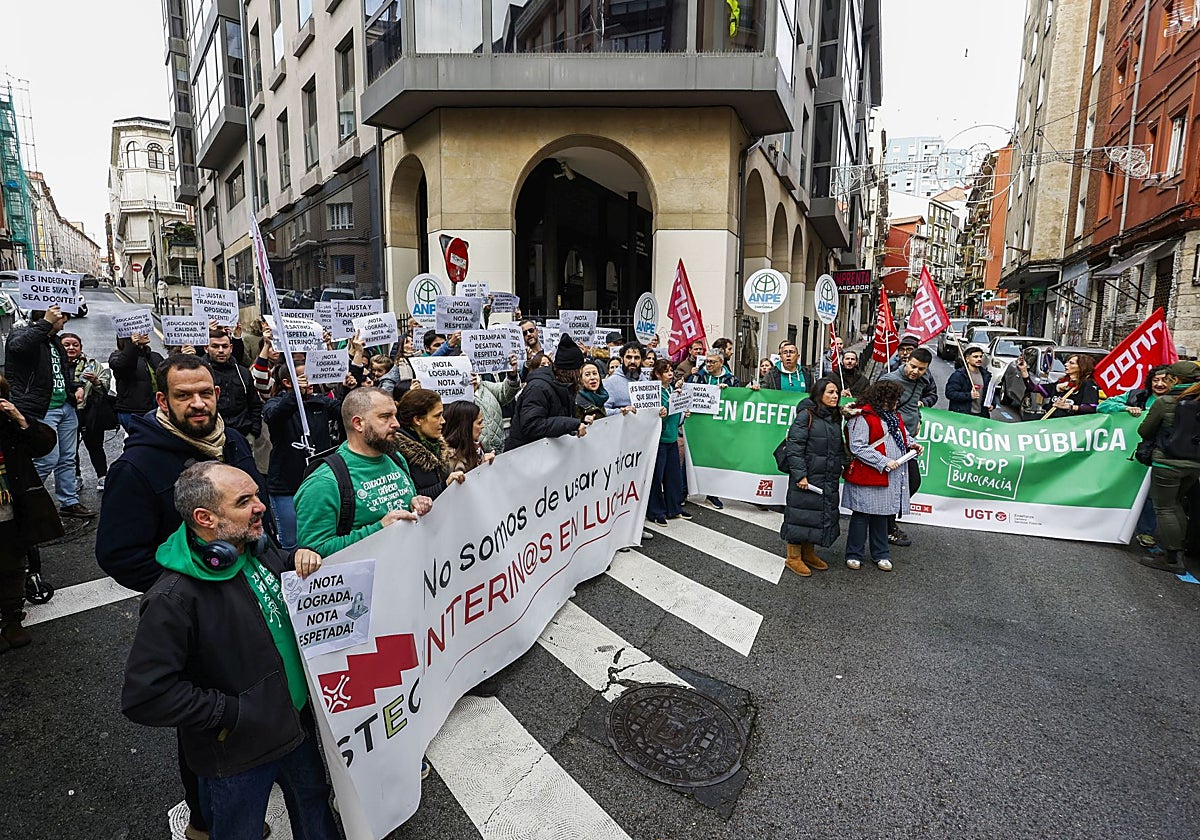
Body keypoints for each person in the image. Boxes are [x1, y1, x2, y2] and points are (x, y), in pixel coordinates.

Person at [96, 352, 274, 840]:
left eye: (204, 393)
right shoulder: (137, 466)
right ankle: (203, 821)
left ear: (217, 393)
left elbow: (257, 512)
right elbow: (117, 554)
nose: (197, 403)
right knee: (205, 720)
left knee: (261, 690)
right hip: (200, 617)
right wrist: (186, 587)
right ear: (162, 400)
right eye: (183, 395)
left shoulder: (231, 442)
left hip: (255, 598)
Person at [121, 463, 340, 840]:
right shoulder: (172, 599)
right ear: (205, 518)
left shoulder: (254, 549)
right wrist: (233, 713)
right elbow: (146, 696)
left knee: (313, 805)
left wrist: (295, 559)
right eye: (244, 501)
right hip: (239, 750)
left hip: (294, 725)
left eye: (257, 494)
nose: (261, 506)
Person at [294, 387, 432, 558]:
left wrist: (415, 503)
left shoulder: (395, 458)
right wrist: (379, 529)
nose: (396, 424)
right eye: (385, 416)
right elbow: (314, 551)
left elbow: (405, 503)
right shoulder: (323, 482)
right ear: (358, 423)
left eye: (394, 415)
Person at [5, 305, 94, 519]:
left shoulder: (55, 342)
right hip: (41, 409)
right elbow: (18, 348)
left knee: (67, 458)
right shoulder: (22, 333)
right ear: (51, 317)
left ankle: (69, 501)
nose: (65, 324)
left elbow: (60, 373)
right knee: (46, 459)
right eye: (62, 319)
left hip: (65, 407)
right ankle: (23, 501)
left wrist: (75, 388)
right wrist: (45, 323)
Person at [0, 377, 63, 652]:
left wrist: (18, 417)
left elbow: (44, 444)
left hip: (10, 507)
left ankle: (12, 620)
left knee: (13, 564)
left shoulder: (9, 424)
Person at [841, 380, 922, 572]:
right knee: (861, 515)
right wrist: (883, 461)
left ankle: (881, 553)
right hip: (870, 472)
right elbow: (857, 446)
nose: (896, 403)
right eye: (893, 399)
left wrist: (912, 444)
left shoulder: (893, 416)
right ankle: (855, 553)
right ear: (882, 399)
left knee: (882, 515)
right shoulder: (862, 417)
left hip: (888, 474)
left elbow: (903, 436)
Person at [262, 361, 341, 550]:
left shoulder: (319, 402)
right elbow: (274, 416)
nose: (310, 380)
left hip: (317, 483)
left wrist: (347, 387)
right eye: (304, 377)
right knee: (291, 541)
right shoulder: (276, 403)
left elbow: (345, 412)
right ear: (288, 382)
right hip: (286, 486)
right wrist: (295, 395)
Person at [1136, 361, 1200, 574]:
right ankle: (1178, 552)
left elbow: (1144, 430)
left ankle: (1172, 558)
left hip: (1167, 462)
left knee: (1164, 508)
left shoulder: (1166, 401)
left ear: (1175, 379)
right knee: (1176, 505)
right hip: (1195, 464)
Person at [1101, 365, 1169, 550]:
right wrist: (1126, 408)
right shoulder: (1137, 396)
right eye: (1156, 380)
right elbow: (1103, 405)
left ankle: (1146, 531)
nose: (1160, 384)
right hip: (1131, 455)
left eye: (1164, 380)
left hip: (1161, 454)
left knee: (1151, 494)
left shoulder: (1179, 400)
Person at [780, 378, 843, 576]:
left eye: (836, 392)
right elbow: (794, 448)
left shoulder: (834, 417)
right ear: (819, 394)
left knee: (816, 515)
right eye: (830, 392)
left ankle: (808, 553)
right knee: (800, 515)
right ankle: (793, 557)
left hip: (826, 476)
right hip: (807, 477)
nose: (835, 396)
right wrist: (800, 475)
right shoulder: (805, 415)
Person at [880, 346, 937, 547]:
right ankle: (885, 526)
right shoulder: (889, 380)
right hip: (891, 440)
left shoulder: (923, 381)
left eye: (921, 369)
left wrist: (918, 418)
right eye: (913, 366)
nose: (915, 371)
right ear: (906, 361)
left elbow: (915, 404)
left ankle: (887, 522)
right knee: (902, 484)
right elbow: (877, 408)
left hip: (908, 439)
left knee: (911, 483)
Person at [506, 334, 591, 450]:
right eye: (579, 370)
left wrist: (578, 423)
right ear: (572, 372)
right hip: (527, 455)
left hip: (546, 453)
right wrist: (572, 424)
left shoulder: (563, 386)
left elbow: (557, 421)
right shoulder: (538, 388)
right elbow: (532, 425)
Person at [61, 332, 114, 491]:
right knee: (70, 448)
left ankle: (102, 476)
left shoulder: (92, 364)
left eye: (75, 345)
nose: (71, 348)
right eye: (67, 345)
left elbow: (105, 389)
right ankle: (76, 477)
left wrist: (96, 381)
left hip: (90, 411)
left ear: (81, 347)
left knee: (95, 445)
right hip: (65, 411)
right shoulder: (55, 365)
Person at [394, 388, 462, 500]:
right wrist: (444, 486)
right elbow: (410, 498)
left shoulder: (436, 446)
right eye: (437, 416)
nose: (443, 421)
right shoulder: (398, 455)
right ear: (418, 420)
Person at [646, 359, 687, 526]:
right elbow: (650, 415)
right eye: (666, 371)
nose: (670, 374)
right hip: (660, 440)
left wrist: (684, 412)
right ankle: (656, 511)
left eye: (671, 371)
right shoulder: (654, 392)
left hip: (671, 438)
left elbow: (676, 415)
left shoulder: (671, 390)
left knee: (673, 475)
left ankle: (674, 507)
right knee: (657, 477)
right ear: (657, 374)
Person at [205, 327, 262, 442]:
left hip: (243, 435)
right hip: (211, 437)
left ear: (231, 348)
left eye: (225, 346)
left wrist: (254, 431)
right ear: (206, 348)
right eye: (215, 346)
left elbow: (254, 404)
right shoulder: (201, 373)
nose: (221, 350)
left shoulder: (243, 373)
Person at [111, 332, 165, 432]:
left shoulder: (155, 356)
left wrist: (183, 354)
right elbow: (123, 366)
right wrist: (132, 346)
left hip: (157, 409)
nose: (146, 333)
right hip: (133, 412)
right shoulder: (117, 357)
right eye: (141, 332)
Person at [472, 355, 520, 454]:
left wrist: (512, 375)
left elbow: (504, 392)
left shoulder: (484, 386)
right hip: (474, 454)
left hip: (498, 451)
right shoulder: (457, 396)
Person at [443, 400, 496, 474]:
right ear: (465, 426)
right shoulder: (451, 458)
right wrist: (481, 468)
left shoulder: (475, 447)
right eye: (479, 423)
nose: (482, 426)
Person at [945, 345, 995, 416]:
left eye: (981, 356)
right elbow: (950, 393)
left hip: (981, 415)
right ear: (967, 359)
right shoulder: (959, 375)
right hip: (963, 415)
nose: (979, 359)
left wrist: (992, 404)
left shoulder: (986, 375)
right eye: (975, 357)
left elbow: (989, 393)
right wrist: (969, 395)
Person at [605, 341, 647, 413]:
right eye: (629, 357)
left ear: (641, 360)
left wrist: (659, 411)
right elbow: (603, 411)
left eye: (636, 358)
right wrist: (620, 411)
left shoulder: (646, 382)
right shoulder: (610, 383)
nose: (632, 361)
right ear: (622, 359)